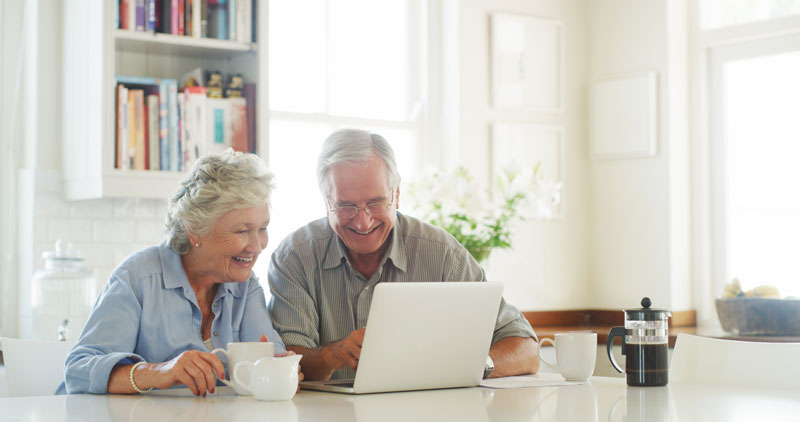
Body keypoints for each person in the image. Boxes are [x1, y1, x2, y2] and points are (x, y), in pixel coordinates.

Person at [268, 128, 540, 381]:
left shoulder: (442, 254)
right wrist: (331, 355)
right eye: (345, 206)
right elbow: (289, 362)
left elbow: (526, 349)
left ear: (396, 195)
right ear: (326, 201)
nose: (362, 223)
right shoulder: (295, 257)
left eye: (375, 203)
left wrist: (473, 367)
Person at [60, 149, 299, 395]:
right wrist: (160, 371)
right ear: (195, 229)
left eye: (263, 228)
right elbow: (78, 372)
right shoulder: (137, 278)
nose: (258, 246)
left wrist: (281, 366)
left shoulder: (244, 286)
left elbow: (269, 362)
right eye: (242, 231)